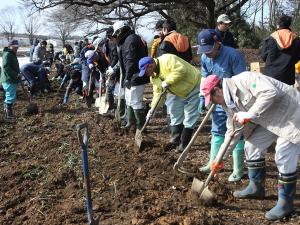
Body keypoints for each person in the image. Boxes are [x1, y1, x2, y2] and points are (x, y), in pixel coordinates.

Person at [201, 72, 300, 221]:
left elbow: (269, 92)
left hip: (291, 114)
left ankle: (285, 203)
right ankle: (256, 188)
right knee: (251, 146)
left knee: (283, 154)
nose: (214, 104)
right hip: (270, 120)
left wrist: (249, 114)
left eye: (212, 99)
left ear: (218, 90)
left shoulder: (246, 79)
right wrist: (218, 159)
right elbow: (231, 133)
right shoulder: (228, 104)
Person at [197, 29, 246, 182]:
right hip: (215, 100)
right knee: (217, 131)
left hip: (234, 102)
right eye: (204, 50)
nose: (207, 53)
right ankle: (214, 162)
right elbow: (204, 77)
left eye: (209, 49)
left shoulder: (233, 55)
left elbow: (241, 82)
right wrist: (201, 97)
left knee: (237, 132)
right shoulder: (205, 57)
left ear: (218, 43)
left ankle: (238, 168)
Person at [138, 54, 200, 152]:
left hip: (193, 86)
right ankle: (175, 140)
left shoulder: (167, 59)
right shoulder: (153, 77)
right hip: (179, 92)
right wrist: (152, 109)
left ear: (151, 66)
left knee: (190, 115)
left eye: (145, 72)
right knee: (174, 112)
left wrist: (168, 81)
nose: (146, 74)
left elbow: (181, 70)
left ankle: (184, 143)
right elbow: (158, 94)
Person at [112, 21, 149, 130]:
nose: (115, 37)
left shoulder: (130, 40)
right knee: (129, 99)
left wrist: (127, 77)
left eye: (116, 34)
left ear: (120, 31)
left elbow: (130, 61)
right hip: (132, 75)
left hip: (135, 75)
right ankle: (130, 122)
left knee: (135, 100)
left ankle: (140, 126)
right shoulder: (129, 39)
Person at [260, 15, 300, 85]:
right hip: (288, 77)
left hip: (271, 76)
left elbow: (263, 56)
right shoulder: (296, 40)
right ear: (289, 24)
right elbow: (297, 58)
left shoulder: (270, 39)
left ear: (278, 24)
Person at [1, 40, 20, 120]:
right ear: (10, 46)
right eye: (14, 47)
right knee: (10, 96)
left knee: (10, 95)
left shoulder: (12, 54)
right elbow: (6, 67)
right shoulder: (8, 54)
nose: (16, 48)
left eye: (17, 47)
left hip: (12, 78)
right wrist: (15, 74)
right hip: (9, 78)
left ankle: (8, 112)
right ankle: (8, 114)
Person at [103, 26, 119, 111]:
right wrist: (109, 66)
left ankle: (113, 106)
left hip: (116, 67)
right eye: (108, 36)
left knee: (112, 87)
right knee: (109, 86)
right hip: (111, 66)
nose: (109, 38)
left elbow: (116, 57)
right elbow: (107, 55)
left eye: (110, 36)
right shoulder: (107, 42)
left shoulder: (116, 43)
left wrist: (112, 67)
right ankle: (111, 105)